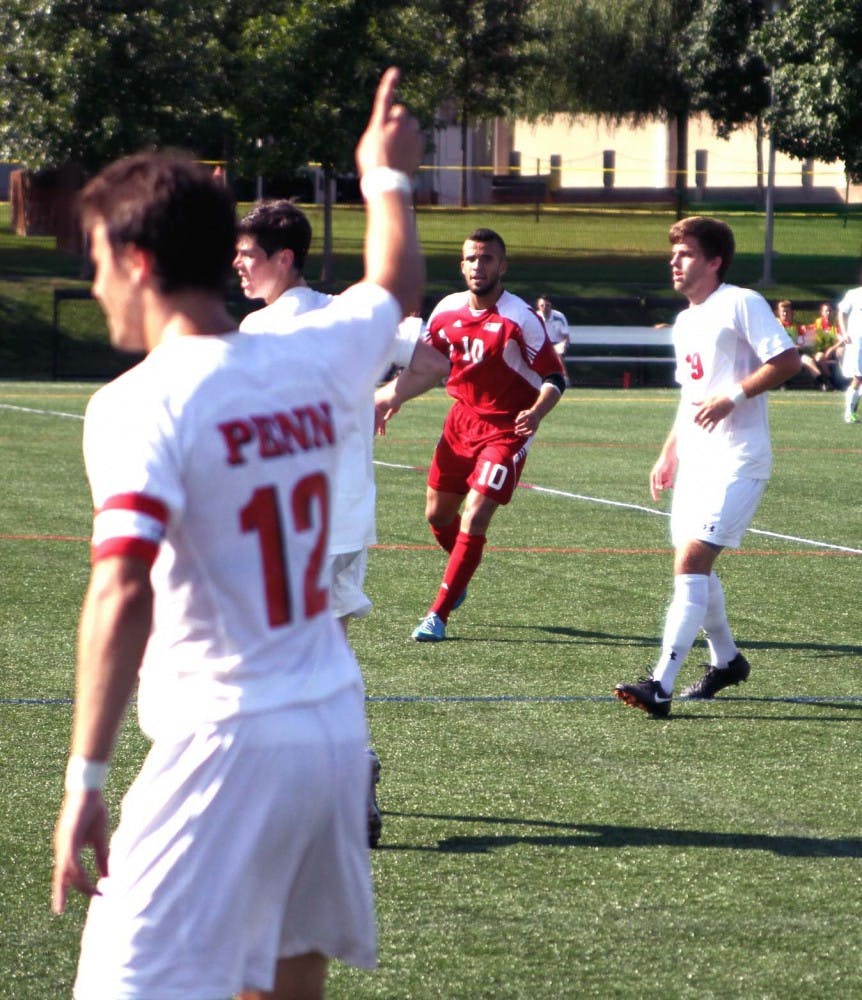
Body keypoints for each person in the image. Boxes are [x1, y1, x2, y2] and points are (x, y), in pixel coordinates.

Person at [51, 67, 423, 1000]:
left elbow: (122, 587)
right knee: (286, 979)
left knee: (121, 984)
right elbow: (395, 283)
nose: (94, 285)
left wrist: (86, 776)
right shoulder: (312, 353)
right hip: (331, 729)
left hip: (223, 741)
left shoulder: (140, 402)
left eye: (97, 260)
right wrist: (385, 174)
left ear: (138, 261)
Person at [234, 199, 448, 847]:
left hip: (285, 518)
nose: (238, 266)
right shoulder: (351, 314)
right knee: (328, 652)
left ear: (283, 259)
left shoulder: (259, 329)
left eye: (247, 256)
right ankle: (344, 768)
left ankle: (322, 775)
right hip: (347, 515)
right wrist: (387, 394)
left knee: (278, 659)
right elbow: (435, 362)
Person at [614, 216, 801, 717]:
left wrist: (732, 396)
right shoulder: (685, 321)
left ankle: (660, 683)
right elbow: (691, 396)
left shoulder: (741, 302)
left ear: (714, 261)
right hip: (696, 460)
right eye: (673, 254)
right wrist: (669, 451)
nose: (674, 262)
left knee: (692, 562)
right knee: (693, 566)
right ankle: (727, 661)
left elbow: (787, 360)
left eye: (686, 254)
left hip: (739, 459)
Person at [376, 228, 566, 642]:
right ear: (462, 265)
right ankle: (460, 570)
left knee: (475, 514)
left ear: (503, 266)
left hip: (508, 427)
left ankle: (438, 614)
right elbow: (425, 364)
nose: (479, 266)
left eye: (487, 259)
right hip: (460, 422)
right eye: (472, 259)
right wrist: (394, 398)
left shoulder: (520, 318)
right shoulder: (446, 310)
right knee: (437, 516)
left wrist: (536, 413)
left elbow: (555, 377)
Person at [776, 299, 821, 383]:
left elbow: (800, 345)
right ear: (779, 313)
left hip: (794, 354)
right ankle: (783, 383)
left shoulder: (797, 328)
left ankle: (821, 381)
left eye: (787, 312)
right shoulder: (775, 326)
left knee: (808, 360)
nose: (785, 314)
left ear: (791, 313)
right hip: (780, 354)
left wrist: (796, 347)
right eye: (783, 312)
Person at [837, 283, 862, 423]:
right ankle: (849, 412)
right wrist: (844, 332)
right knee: (858, 376)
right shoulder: (854, 293)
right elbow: (842, 312)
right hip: (857, 341)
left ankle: (853, 409)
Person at [536, 294, 570, 383]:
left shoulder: (559, 317)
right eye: (542, 305)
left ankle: (565, 378)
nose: (545, 308)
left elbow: (566, 337)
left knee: (557, 353)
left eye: (547, 305)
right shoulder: (535, 316)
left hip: (558, 343)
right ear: (538, 306)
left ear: (551, 306)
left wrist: (563, 345)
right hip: (542, 344)